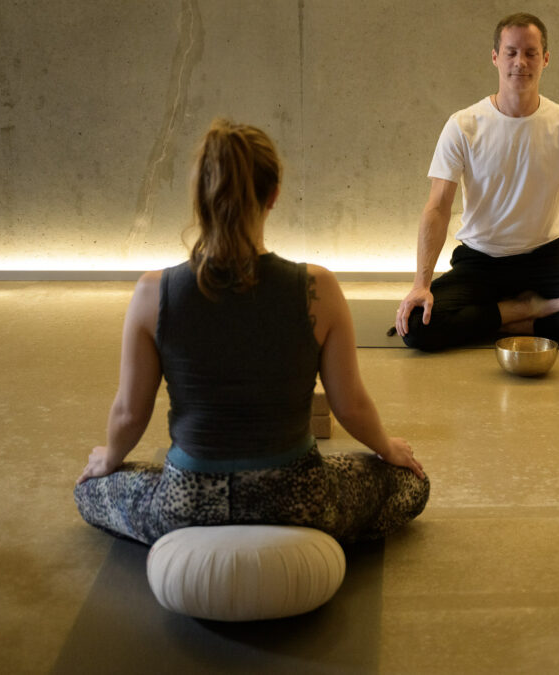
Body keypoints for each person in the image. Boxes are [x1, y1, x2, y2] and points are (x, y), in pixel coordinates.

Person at [74, 119, 429, 545]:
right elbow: (349, 405)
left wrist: (109, 458)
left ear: (199, 196)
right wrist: (387, 448)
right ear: (274, 195)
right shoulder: (319, 288)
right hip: (297, 499)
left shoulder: (153, 291)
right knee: (410, 483)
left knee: (89, 489)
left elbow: (130, 413)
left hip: (187, 504)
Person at [393, 12, 559, 351]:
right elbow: (437, 207)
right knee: (416, 329)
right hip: (480, 260)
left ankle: (526, 320)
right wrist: (421, 284)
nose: (520, 62)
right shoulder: (463, 125)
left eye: (530, 53)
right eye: (510, 52)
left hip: (544, 260)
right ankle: (518, 311)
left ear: (546, 59)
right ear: (495, 57)